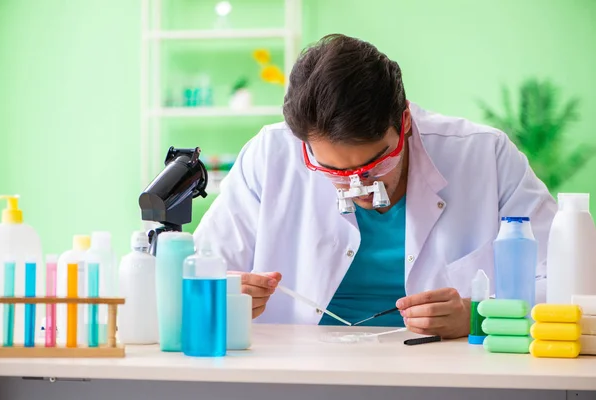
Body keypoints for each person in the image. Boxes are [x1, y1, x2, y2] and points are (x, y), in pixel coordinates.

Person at [193, 33, 557, 339]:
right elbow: (202, 269)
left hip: (443, 369)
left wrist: (479, 315)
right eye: (333, 171)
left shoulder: (483, 154)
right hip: (301, 366)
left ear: (406, 122)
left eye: (374, 165)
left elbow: (565, 282)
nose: (356, 187)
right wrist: (222, 292)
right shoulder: (271, 154)